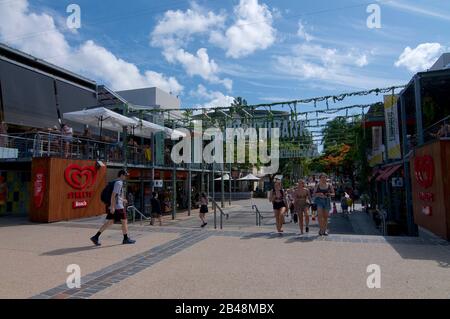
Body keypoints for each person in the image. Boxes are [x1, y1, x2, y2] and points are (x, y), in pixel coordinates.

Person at [90, 170, 136, 245]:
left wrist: (123, 200)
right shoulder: (119, 183)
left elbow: (116, 195)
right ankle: (126, 239)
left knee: (110, 222)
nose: (126, 177)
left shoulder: (116, 182)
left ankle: (95, 237)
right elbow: (113, 195)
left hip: (116, 205)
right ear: (121, 175)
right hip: (118, 207)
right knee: (124, 221)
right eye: (125, 175)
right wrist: (112, 206)